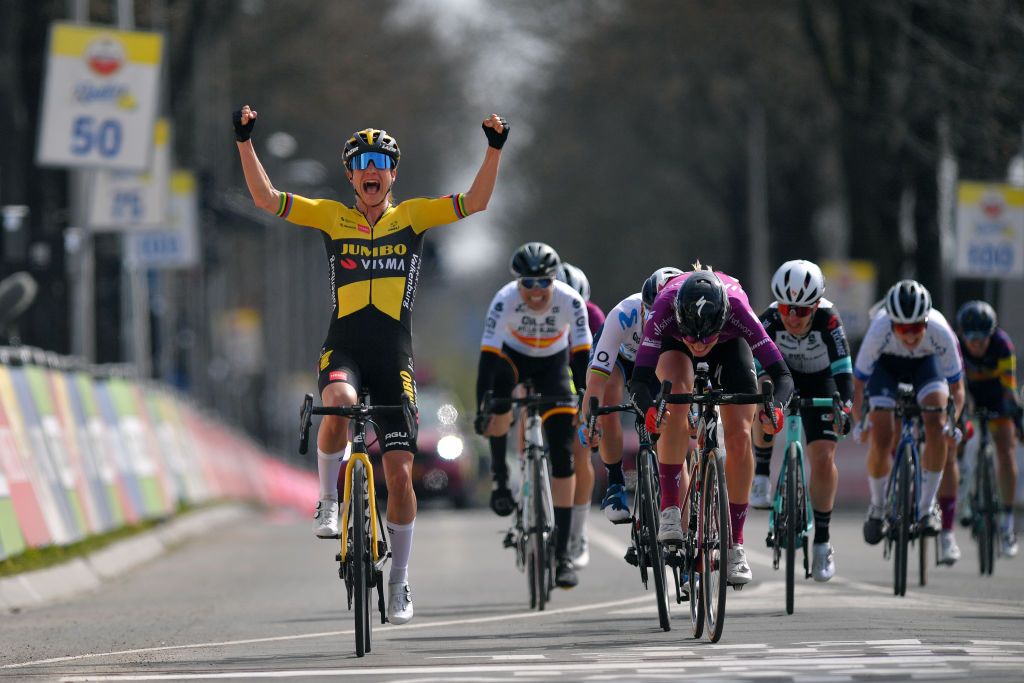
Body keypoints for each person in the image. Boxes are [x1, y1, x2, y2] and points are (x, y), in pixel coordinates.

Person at [234, 105, 509, 625]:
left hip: (394, 356)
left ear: (392, 175)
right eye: (362, 163)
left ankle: (401, 580)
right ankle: (326, 502)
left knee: (400, 475)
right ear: (351, 175)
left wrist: (493, 150)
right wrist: (245, 141)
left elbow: (476, 201)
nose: (372, 171)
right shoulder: (329, 217)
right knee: (337, 401)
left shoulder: (413, 217)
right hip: (344, 348)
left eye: (381, 163)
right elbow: (267, 200)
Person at [629, 262, 794, 586]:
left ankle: (735, 543)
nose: (700, 345)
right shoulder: (664, 308)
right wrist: (650, 409)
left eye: (707, 338)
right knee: (675, 399)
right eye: (694, 338)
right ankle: (670, 509)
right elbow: (640, 382)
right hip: (673, 348)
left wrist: (775, 408)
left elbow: (782, 376)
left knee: (739, 434)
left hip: (730, 345)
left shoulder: (738, 310)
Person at [475, 242, 593, 589]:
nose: (537, 291)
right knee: (498, 400)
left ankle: (563, 555)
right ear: (518, 283)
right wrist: (483, 403)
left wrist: (587, 400)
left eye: (544, 282)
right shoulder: (504, 300)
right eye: (529, 283)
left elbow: (583, 357)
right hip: (513, 359)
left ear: (555, 280)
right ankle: (499, 479)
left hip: (553, 366)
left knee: (563, 455)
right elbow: (487, 359)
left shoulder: (570, 301)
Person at [750, 260, 853, 582]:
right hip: (781, 375)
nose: (792, 317)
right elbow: (754, 362)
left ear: (816, 306)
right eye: (786, 308)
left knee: (822, 457)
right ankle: (762, 474)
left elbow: (844, 370)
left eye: (802, 311)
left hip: (821, 381)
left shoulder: (829, 319)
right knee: (761, 393)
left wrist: (846, 407)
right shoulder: (768, 319)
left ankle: (822, 541)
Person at [852, 280, 965, 566]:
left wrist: (952, 422)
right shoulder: (879, 328)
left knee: (936, 424)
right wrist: (858, 421)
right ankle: (877, 507)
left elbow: (957, 389)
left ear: (927, 320)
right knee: (882, 435)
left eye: (917, 327)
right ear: (892, 323)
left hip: (927, 367)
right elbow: (857, 384)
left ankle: (927, 507)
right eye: (903, 329)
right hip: (886, 368)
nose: (911, 335)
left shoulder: (940, 330)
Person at [579, 266, 682, 524]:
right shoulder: (623, 314)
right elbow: (595, 386)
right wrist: (590, 423)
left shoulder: (683, 322)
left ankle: (678, 509)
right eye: (651, 313)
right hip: (622, 360)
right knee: (608, 396)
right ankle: (615, 483)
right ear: (643, 307)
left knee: (671, 418)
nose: (656, 319)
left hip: (659, 359)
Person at [955, 300, 1021, 557]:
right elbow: (956, 385)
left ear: (991, 334)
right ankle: (963, 482)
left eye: (983, 337)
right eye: (971, 336)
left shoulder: (1002, 345)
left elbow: (1009, 387)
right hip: (968, 393)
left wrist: (1015, 416)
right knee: (960, 434)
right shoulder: (957, 345)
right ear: (962, 333)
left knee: (1005, 448)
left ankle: (1006, 523)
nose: (977, 342)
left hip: (996, 395)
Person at [556, 262, 604, 569]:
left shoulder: (594, 315)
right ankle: (526, 466)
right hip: (547, 376)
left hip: (579, 379)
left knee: (579, 453)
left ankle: (576, 532)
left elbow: (599, 363)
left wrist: (587, 401)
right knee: (525, 400)